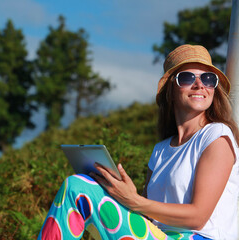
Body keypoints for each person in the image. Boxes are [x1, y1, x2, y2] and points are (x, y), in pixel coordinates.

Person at [38, 44, 239, 240]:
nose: (200, 85)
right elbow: (148, 217)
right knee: (78, 187)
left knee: (77, 187)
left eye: (208, 78)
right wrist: (120, 194)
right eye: (187, 78)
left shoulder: (216, 136)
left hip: (200, 237)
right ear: (170, 90)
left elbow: (198, 217)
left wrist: (135, 201)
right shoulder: (161, 150)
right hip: (159, 235)